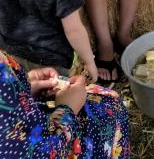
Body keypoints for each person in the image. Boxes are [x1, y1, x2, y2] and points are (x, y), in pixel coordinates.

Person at [0, 50, 130, 158]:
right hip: (57, 141)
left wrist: (25, 86)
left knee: (102, 97)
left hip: (33, 116)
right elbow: (43, 153)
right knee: (111, 107)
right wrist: (67, 111)